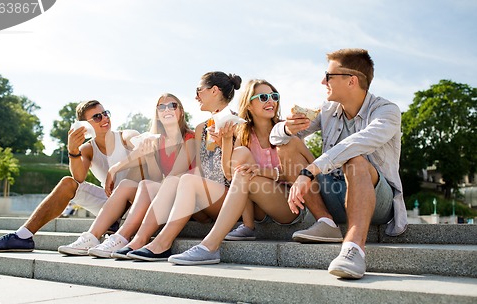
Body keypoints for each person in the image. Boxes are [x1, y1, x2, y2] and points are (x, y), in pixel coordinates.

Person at [269, 48, 408, 279]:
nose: (323, 81)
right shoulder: (327, 110)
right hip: (333, 194)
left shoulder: (387, 111)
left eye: (329, 76)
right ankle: (326, 222)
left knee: (355, 160)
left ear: (351, 80)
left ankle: (353, 249)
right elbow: (276, 138)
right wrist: (286, 128)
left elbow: (356, 144)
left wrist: (309, 171)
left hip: (377, 202)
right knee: (287, 145)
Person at [168, 79, 311, 265]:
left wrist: (265, 172)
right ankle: (245, 227)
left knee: (245, 171)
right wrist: (226, 140)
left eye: (274, 96)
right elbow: (229, 173)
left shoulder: (286, 130)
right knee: (242, 157)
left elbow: (309, 168)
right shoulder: (245, 133)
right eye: (263, 97)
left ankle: (209, 246)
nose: (271, 101)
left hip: (288, 204)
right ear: (249, 105)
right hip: (258, 206)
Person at [111, 71, 243, 261]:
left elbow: (234, 171)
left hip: (229, 197)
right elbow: (198, 168)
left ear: (214, 91)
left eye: (199, 90)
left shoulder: (237, 123)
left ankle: (162, 244)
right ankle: (139, 240)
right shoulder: (201, 128)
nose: (196, 96)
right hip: (202, 198)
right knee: (176, 179)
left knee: (185, 179)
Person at [0, 100, 141, 252]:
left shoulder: (125, 136)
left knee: (126, 183)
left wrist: (115, 168)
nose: (104, 118)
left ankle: (113, 224)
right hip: (110, 205)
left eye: (105, 113)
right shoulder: (87, 149)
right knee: (68, 183)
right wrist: (73, 150)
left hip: (137, 201)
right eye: (97, 116)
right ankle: (23, 236)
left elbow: (141, 150)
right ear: (85, 126)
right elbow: (78, 178)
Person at [57, 93, 196, 257]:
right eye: (161, 107)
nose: (167, 110)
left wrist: (116, 167)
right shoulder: (159, 140)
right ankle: (93, 237)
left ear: (181, 111)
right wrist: (141, 159)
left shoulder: (190, 138)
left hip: (185, 199)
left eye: (172, 106)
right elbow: (155, 176)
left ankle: (122, 237)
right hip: (165, 194)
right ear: (157, 113)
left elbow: (173, 178)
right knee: (127, 185)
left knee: (149, 184)